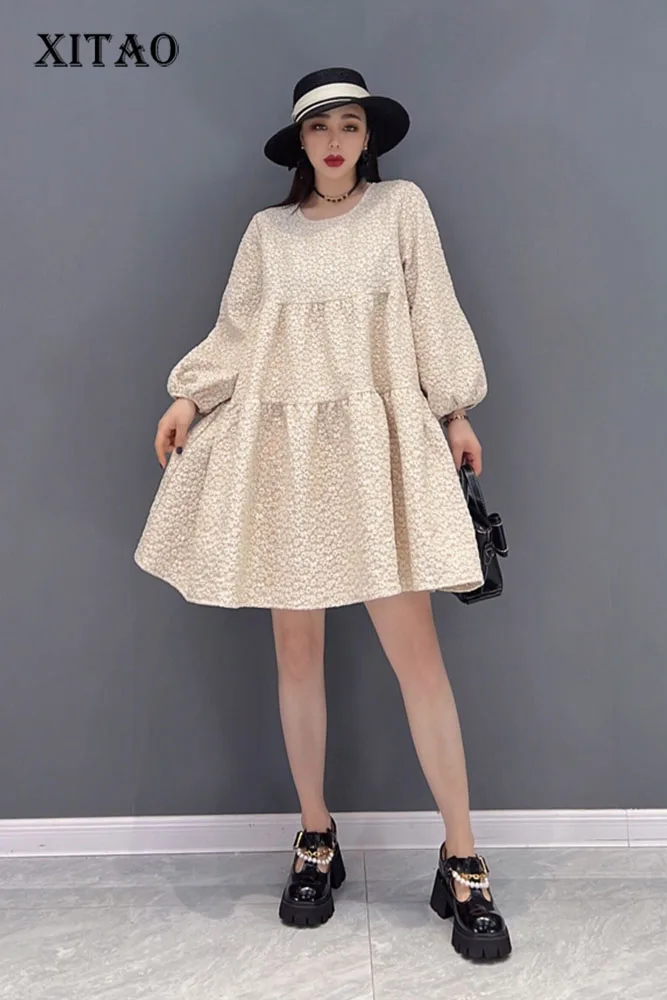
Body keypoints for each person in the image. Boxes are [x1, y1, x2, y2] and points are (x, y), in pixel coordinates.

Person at [133, 67, 511, 961]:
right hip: (286, 454)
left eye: (348, 124)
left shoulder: (402, 209)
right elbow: (236, 333)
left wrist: (455, 412)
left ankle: (462, 858)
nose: (335, 141)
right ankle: (315, 835)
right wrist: (189, 397)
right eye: (318, 127)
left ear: (369, 136)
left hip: (379, 450)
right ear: (298, 143)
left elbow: (433, 315)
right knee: (296, 652)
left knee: (418, 660)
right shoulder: (267, 233)